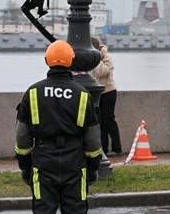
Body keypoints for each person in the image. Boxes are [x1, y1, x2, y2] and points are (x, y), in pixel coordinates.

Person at [15, 40, 103, 214]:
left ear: (47, 60)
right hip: (75, 162)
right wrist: (92, 167)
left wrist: (25, 166)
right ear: (71, 61)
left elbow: (22, 137)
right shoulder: (83, 94)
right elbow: (93, 140)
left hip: (43, 160)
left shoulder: (33, 93)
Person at [91, 37, 122, 157]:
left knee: (109, 120)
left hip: (108, 92)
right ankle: (104, 149)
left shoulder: (106, 57)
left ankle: (117, 148)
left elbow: (102, 72)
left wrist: (96, 58)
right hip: (98, 93)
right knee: (100, 122)